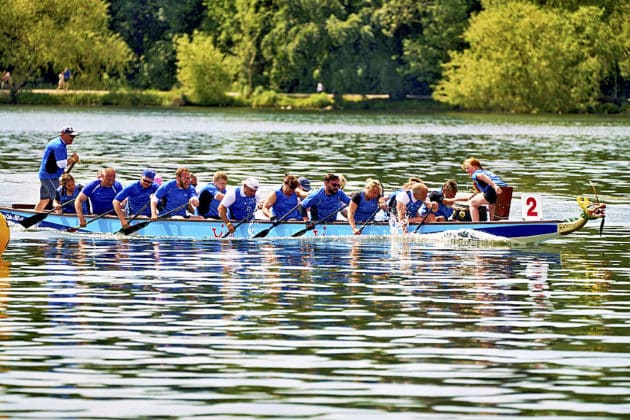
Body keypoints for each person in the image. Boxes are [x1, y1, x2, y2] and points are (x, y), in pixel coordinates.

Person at [35, 126, 80, 212]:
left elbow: (57, 164)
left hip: (47, 175)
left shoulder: (61, 143)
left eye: (74, 136)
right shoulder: (58, 145)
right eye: (71, 136)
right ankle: (60, 220)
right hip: (49, 176)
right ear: (63, 135)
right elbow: (61, 164)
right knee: (58, 198)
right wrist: (73, 159)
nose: (73, 138)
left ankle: (35, 215)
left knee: (45, 200)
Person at [461, 157, 508, 221]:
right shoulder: (487, 172)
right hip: (506, 189)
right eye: (465, 169)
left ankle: (475, 225)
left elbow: (481, 176)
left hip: (494, 189)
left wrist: (495, 186)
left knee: (472, 203)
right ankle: (493, 222)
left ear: (475, 167)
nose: (466, 171)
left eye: (468, 168)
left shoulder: (475, 173)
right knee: (491, 203)